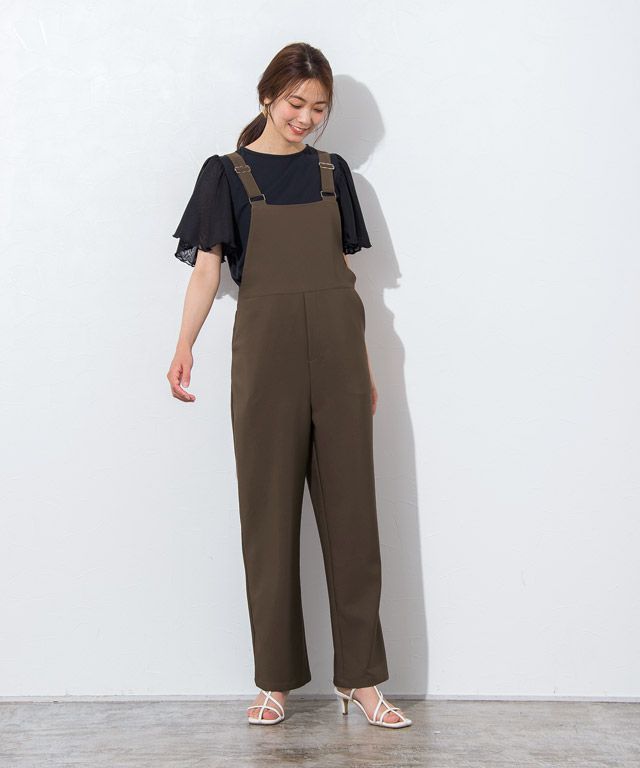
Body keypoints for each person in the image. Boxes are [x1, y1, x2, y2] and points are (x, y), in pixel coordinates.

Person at [167, 42, 411, 729]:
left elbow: (348, 276)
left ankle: (362, 681)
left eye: (319, 108)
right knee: (267, 517)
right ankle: (274, 681)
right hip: (266, 356)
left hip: (338, 355)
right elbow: (207, 270)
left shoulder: (334, 174)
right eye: (295, 103)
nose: (306, 118)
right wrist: (184, 345)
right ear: (268, 97)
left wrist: (364, 366)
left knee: (354, 517)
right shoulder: (225, 173)